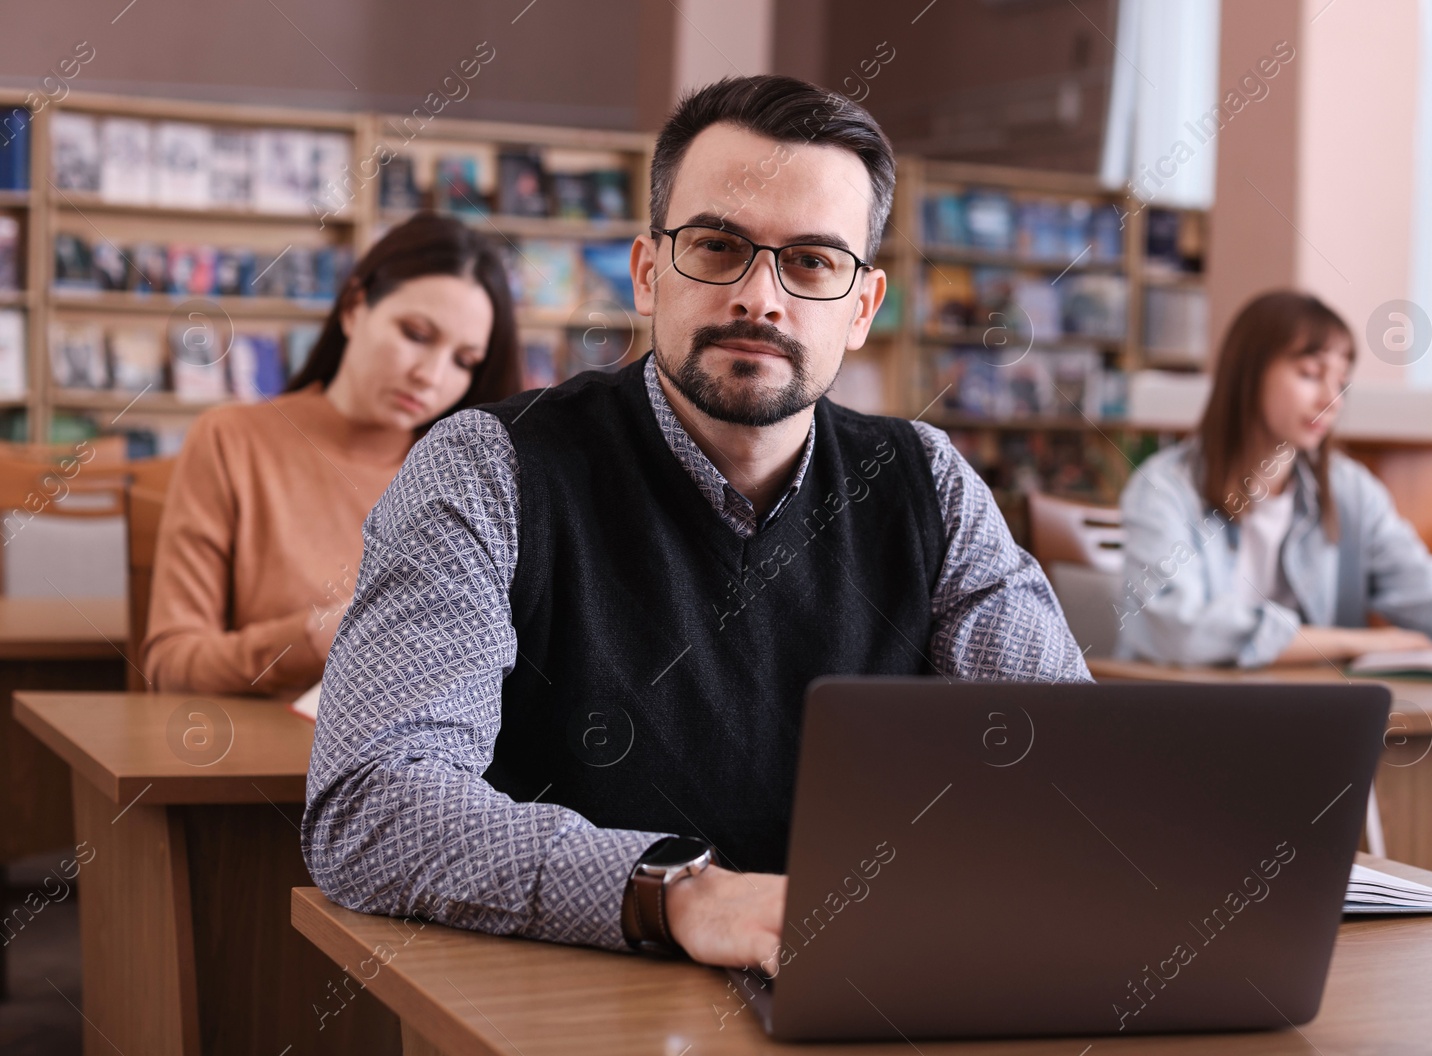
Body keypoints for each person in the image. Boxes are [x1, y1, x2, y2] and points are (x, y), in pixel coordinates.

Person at [302, 75, 1088, 974]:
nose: (761, 297)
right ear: (648, 272)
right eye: (718, 246)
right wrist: (677, 891)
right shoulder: (488, 466)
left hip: (856, 995)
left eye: (813, 262)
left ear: (862, 308)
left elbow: (1069, 770)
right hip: (568, 1009)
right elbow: (372, 802)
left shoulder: (932, 483)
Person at [1115, 289, 1432, 668]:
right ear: (1247, 374)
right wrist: (1355, 641)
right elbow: (1176, 630)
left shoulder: (1350, 491)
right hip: (1185, 723)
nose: (1331, 398)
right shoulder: (1163, 490)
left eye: (1341, 382)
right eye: (1310, 372)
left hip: (1306, 726)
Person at [143, 213, 521, 696]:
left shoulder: (473, 477)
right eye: (416, 335)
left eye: (464, 361)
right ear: (354, 308)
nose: (432, 375)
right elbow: (171, 665)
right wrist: (312, 639)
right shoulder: (231, 441)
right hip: (264, 758)